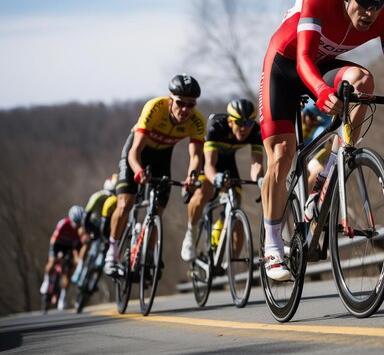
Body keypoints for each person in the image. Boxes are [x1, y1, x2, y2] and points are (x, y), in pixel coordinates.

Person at [258, 0, 384, 281]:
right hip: (285, 65)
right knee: (282, 155)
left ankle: (333, 166)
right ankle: (272, 245)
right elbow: (304, 57)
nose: (370, 11)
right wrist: (323, 94)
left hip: (320, 67)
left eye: (378, 3)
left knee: (364, 81)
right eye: (363, 1)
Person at [104, 74, 206, 276]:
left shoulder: (197, 121)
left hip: (162, 157)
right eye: (180, 103)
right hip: (138, 153)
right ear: (170, 99)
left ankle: (149, 254)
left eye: (190, 104)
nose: (185, 109)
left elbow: (196, 157)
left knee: (158, 211)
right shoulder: (155, 108)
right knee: (125, 203)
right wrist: (139, 172)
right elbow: (134, 152)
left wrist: (192, 177)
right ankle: (112, 253)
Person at [180, 98, 264, 262]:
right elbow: (210, 165)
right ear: (230, 121)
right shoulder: (216, 127)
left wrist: (260, 180)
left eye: (249, 122)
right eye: (239, 122)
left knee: (236, 202)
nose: (244, 127)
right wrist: (215, 178)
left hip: (228, 162)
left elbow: (256, 163)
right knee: (205, 190)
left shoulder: (255, 131)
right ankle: (191, 233)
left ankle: (228, 263)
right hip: (209, 161)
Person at [71, 174, 117, 284]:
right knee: (87, 242)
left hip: (105, 227)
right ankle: (80, 267)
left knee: (106, 249)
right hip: (93, 224)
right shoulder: (97, 196)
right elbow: (86, 216)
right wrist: (87, 231)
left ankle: (95, 277)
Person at [40, 205, 85, 310]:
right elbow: (53, 241)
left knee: (68, 271)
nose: (76, 226)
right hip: (58, 244)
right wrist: (55, 257)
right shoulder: (63, 224)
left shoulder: (81, 229)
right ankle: (47, 281)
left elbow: (77, 248)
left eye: (79, 224)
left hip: (70, 247)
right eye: (75, 223)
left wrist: (76, 259)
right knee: (52, 262)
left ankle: (62, 297)